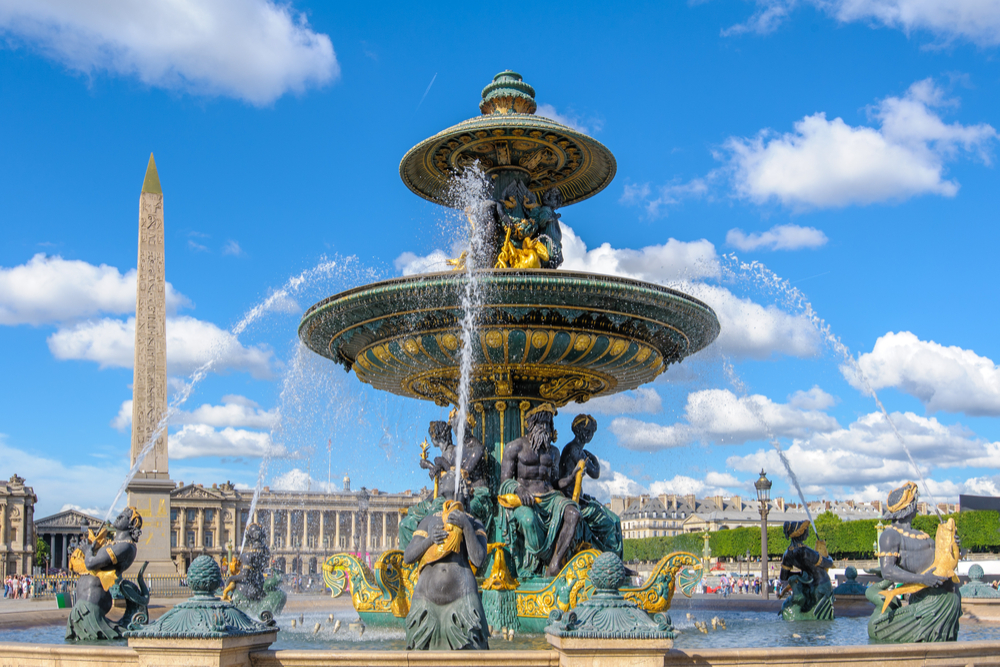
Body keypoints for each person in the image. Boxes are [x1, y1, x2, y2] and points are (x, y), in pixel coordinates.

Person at [867, 481, 961, 642]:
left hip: (948, 600)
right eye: (915, 502)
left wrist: (953, 545)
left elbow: (941, 560)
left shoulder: (921, 534)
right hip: (928, 603)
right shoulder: (890, 535)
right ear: (910, 506)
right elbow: (887, 571)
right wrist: (923, 579)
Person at [403, 480, 489, 650]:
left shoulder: (474, 523)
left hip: (462, 603)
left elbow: (478, 559)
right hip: (426, 603)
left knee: (472, 655)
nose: (450, 474)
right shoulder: (428, 521)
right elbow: (408, 556)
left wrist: (466, 526)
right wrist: (430, 540)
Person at [499, 403, 583, 577]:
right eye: (540, 423)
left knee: (573, 514)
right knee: (528, 520)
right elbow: (504, 482)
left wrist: (571, 477)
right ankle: (534, 562)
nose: (544, 427)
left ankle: (555, 564)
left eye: (548, 423)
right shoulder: (515, 447)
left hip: (550, 497)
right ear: (530, 424)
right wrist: (519, 489)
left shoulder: (553, 451)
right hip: (525, 499)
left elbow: (554, 482)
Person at [558, 414, 623, 558]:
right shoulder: (574, 449)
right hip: (572, 501)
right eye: (588, 431)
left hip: (580, 499)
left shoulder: (576, 449)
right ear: (579, 431)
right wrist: (594, 459)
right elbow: (595, 473)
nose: (590, 435)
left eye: (592, 432)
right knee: (609, 523)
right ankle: (610, 559)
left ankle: (613, 559)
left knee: (616, 520)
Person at [778, 520, 834, 620]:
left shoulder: (787, 553)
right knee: (821, 619)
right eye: (806, 531)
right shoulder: (805, 551)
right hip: (821, 584)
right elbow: (828, 563)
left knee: (810, 615)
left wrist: (800, 575)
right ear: (800, 533)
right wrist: (828, 556)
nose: (807, 534)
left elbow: (784, 576)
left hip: (807, 585)